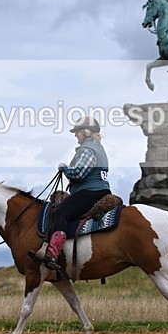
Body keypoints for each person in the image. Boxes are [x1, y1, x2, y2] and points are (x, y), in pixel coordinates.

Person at [29, 116, 111, 271]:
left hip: (90, 193)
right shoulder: (97, 148)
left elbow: (79, 173)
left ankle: (52, 254)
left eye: (77, 132)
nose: (75, 135)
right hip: (98, 190)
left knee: (60, 213)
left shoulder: (88, 149)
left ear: (86, 132)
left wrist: (64, 168)